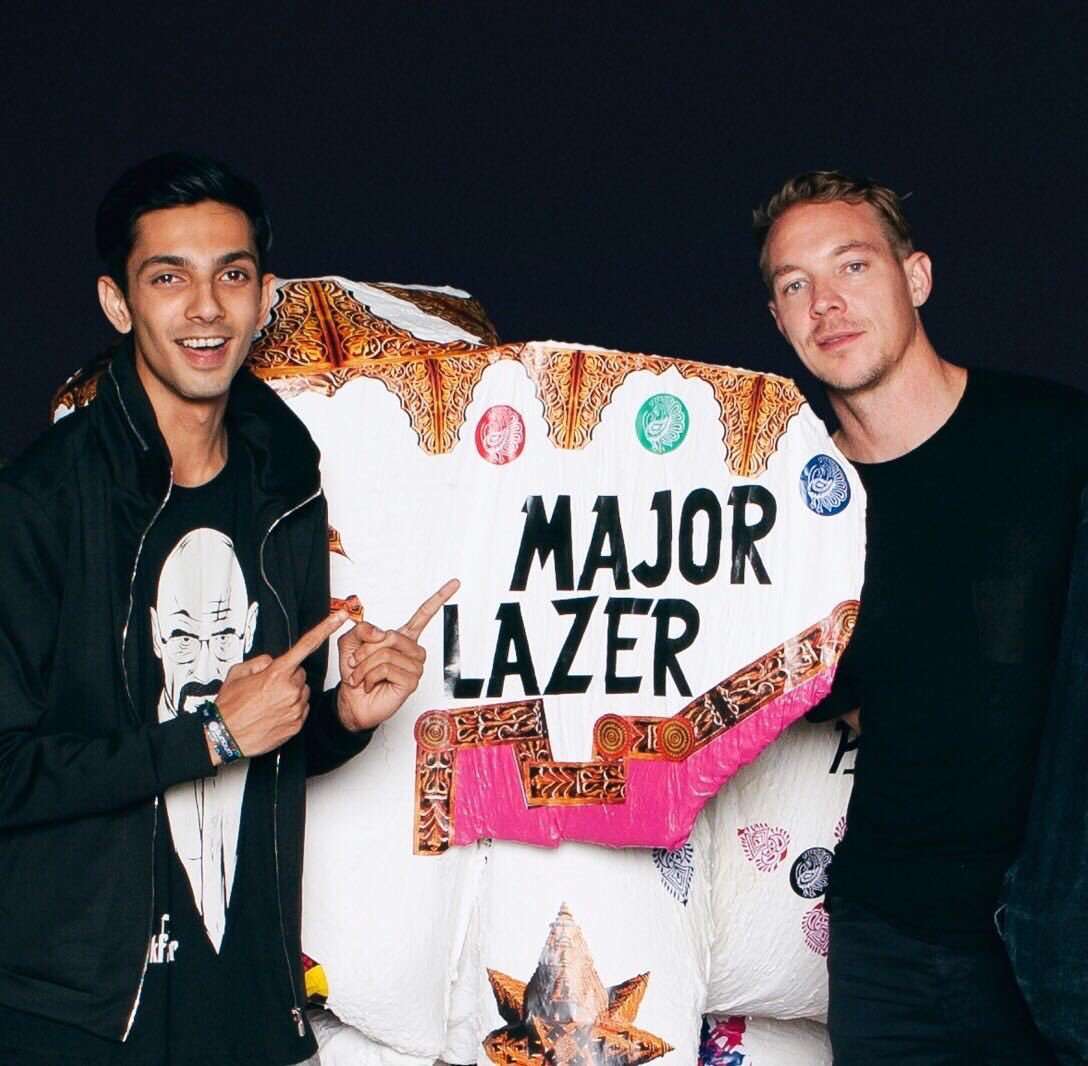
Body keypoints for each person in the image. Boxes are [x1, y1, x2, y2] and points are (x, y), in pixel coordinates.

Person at [0, 152, 457, 1065]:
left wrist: (343, 718)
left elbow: (259, 739)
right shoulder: (39, 502)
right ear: (117, 303)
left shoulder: (285, 487)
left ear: (264, 296)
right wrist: (207, 735)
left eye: (232, 276)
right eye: (169, 278)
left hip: (247, 1004)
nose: (206, 308)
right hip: (82, 1018)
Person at [753, 171, 1085, 1064]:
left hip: (1063, 936)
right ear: (780, 321)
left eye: (853, 266)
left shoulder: (1057, 442)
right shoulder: (790, 514)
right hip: (895, 950)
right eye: (795, 284)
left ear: (917, 277)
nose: (827, 303)